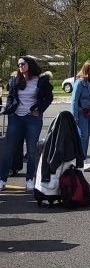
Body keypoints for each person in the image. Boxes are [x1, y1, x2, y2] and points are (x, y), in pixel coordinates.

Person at [0, 56, 54, 191]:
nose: (20, 66)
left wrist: (39, 110)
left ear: (29, 64)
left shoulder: (41, 80)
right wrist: (10, 109)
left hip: (32, 119)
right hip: (16, 117)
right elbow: (11, 96)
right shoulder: (15, 79)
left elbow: (48, 97)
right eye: (18, 64)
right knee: (8, 149)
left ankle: (30, 179)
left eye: (23, 64)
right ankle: (2, 179)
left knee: (31, 150)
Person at [71, 60, 90, 170]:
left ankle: (83, 158)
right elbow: (74, 100)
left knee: (87, 136)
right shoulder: (80, 82)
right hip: (81, 112)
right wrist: (74, 116)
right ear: (86, 69)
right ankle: (81, 161)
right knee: (82, 136)